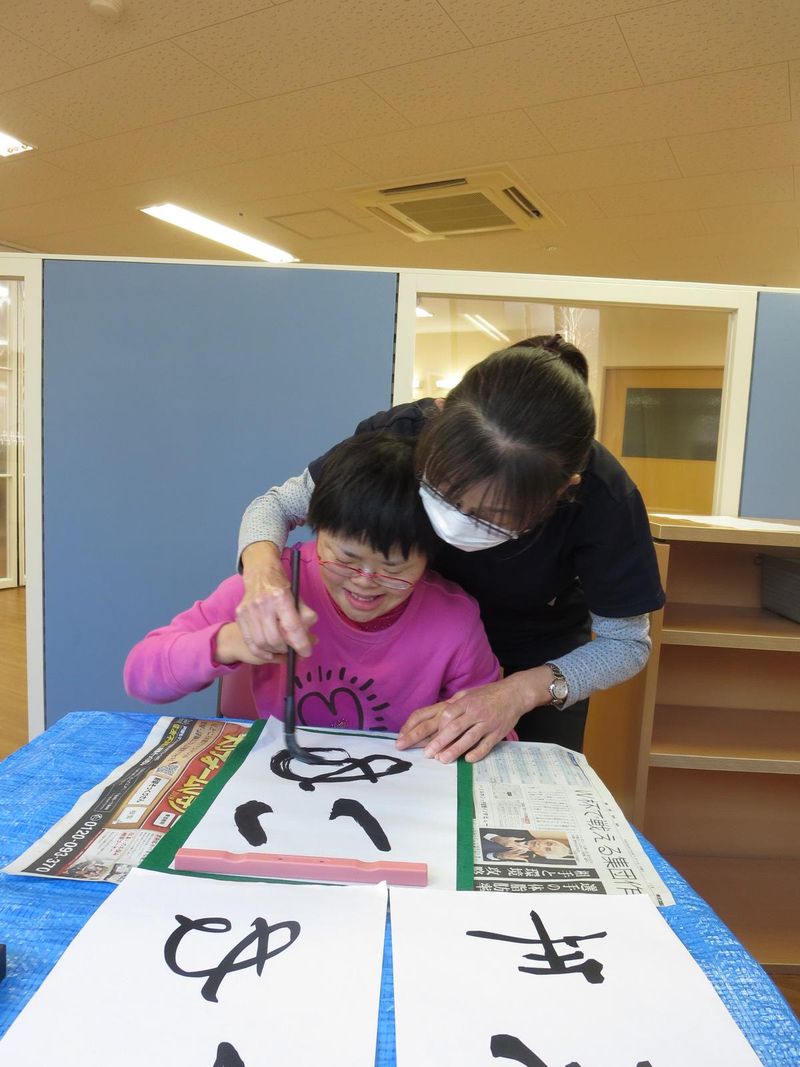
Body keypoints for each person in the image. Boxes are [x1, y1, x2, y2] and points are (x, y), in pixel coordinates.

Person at [235, 335, 665, 762]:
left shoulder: (605, 499)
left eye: (494, 515)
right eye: (444, 490)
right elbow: (276, 507)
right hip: (415, 639)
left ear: (562, 490)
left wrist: (518, 692)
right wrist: (262, 578)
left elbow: (626, 643)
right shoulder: (398, 435)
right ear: (439, 417)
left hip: (533, 653)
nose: (457, 520)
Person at [124, 432, 500, 732]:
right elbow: (140, 675)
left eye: (394, 569)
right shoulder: (273, 588)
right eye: (346, 559)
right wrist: (229, 643)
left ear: (429, 557)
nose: (365, 581)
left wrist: (458, 729)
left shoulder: (454, 621)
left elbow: (492, 730)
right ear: (316, 529)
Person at [481, 830, 574, 863]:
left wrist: (501, 856)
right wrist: (497, 838)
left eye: (547, 849)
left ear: (541, 854)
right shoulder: (522, 832)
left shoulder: (521, 859)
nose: (540, 844)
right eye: (548, 843)